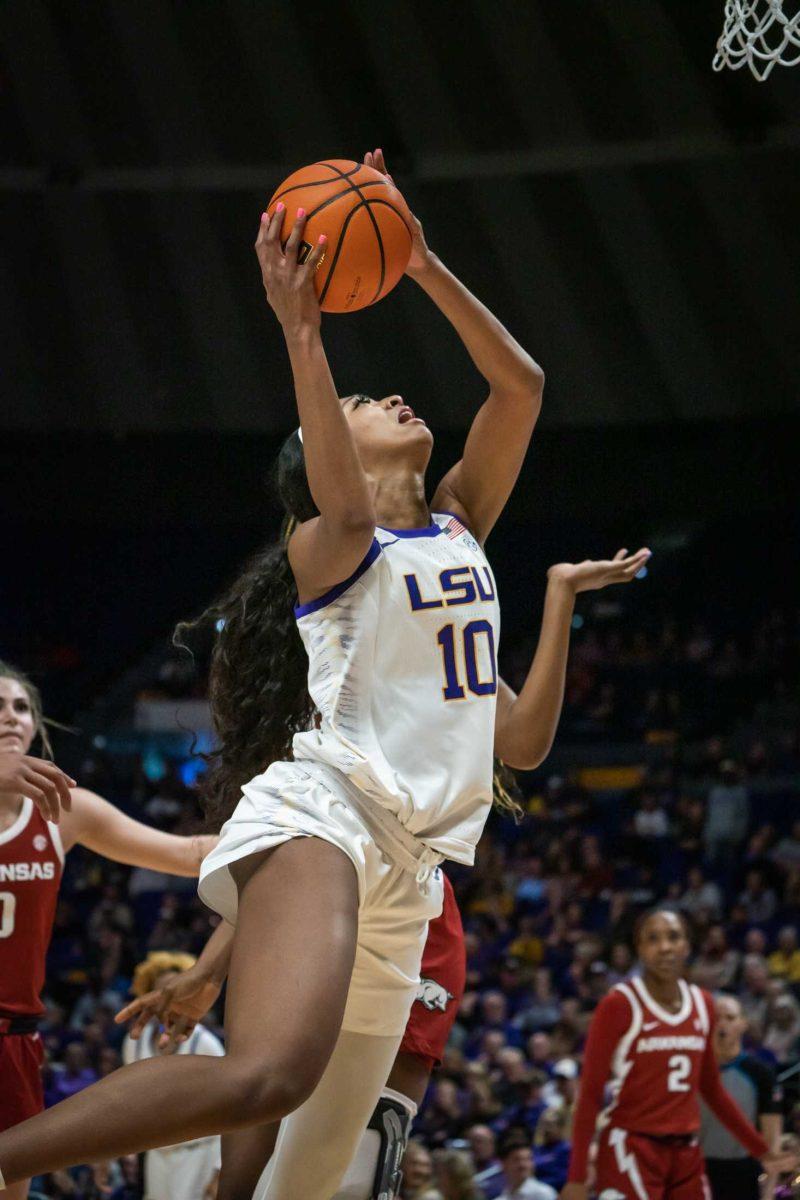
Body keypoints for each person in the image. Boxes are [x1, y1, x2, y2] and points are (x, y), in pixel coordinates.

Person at [0, 147, 648, 1200]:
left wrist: (421, 258)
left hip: (417, 866)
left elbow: (519, 385)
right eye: (361, 402)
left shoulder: (457, 525)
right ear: (319, 457)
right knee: (266, 1074)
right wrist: (301, 330)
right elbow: (344, 501)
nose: (390, 394)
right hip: (329, 814)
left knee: (306, 1184)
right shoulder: (326, 543)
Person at [0, 662, 216, 1200]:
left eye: (21, 707)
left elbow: (187, 855)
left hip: (14, 1039)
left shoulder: (63, 812)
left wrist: (291, 824)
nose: (10, 717)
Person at [561, 909, 793, 1200]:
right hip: (631, 1147)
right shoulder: (618, 1004)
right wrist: (577, 1177)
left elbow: (712, 1090)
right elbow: (590, 1094)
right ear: (640, 949)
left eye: (674, 937)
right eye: (653, 939)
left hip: (686, 1153)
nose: (665, 947)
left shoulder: (703, 1003)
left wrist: (762, 1151)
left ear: (687, 945)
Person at [121, 952, 225, 1200]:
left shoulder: (204, 1042)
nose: (169, 999)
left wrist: (221, 1169)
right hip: (157, 1154)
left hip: (200, 1153)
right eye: (161, 992)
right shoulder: (133, 1043)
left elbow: (230, 1108)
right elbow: (131, 1103)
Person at [700, 993, 782, 1200]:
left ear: (743, 1023)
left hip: (742, 1173)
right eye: (716, 1018)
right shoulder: (691, 1069)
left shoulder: (760, 1073)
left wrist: (769, 1191)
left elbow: (772, 1138)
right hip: (695, 1171)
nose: (722, 1025)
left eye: (730, 1018)